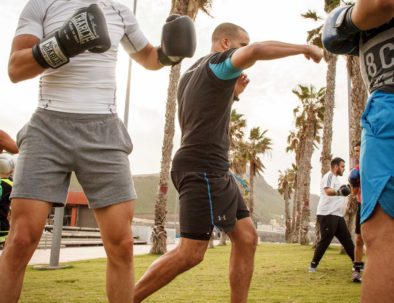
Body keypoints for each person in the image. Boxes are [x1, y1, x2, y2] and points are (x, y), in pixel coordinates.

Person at [0, 1, 195, 302]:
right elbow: (16, 68)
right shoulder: (41, 4)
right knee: (22, 238)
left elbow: (147, 57)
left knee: (121, 243)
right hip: (47, 124)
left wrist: (169, 54)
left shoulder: (119, 11)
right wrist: (65, 43)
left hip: (104, 129)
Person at [133, 22, 323, 303]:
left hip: (213, 170)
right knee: (191, 252)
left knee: (247, 238)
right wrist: (305, 48)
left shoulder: (192, 72)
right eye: (241, 45)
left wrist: (233, 94)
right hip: (203, 168)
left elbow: (202, 111)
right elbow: (257, 50)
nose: (244, 51)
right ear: (224, 44)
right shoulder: (219, 62)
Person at [322, 0, 394, 301]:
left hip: (388, 103)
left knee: (384, 240)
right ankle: (352, 266)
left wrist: (344, 18)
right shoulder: (342, 173)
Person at [309, 157, 354, 272]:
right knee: (326, 240)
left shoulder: (337, 180)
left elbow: (342, 193)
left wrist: (348, 189)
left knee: (347, 240)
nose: (343, 169)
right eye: (342, 166)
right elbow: (328, 191)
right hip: (327, 214)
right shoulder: (329, 176)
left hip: (337, 215)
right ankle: (313, 265)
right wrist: (340, 192)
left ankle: (357, 263)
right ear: (336, 167)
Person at [348, 141, 364, 283]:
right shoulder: (357, 170)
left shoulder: (378, 166)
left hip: (378, 204)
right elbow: (354, 193)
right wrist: (354, 183)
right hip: (362, 205)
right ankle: (357, 270)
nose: (358, 153)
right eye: (356, 151)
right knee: (359, 239)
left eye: (359, 150)